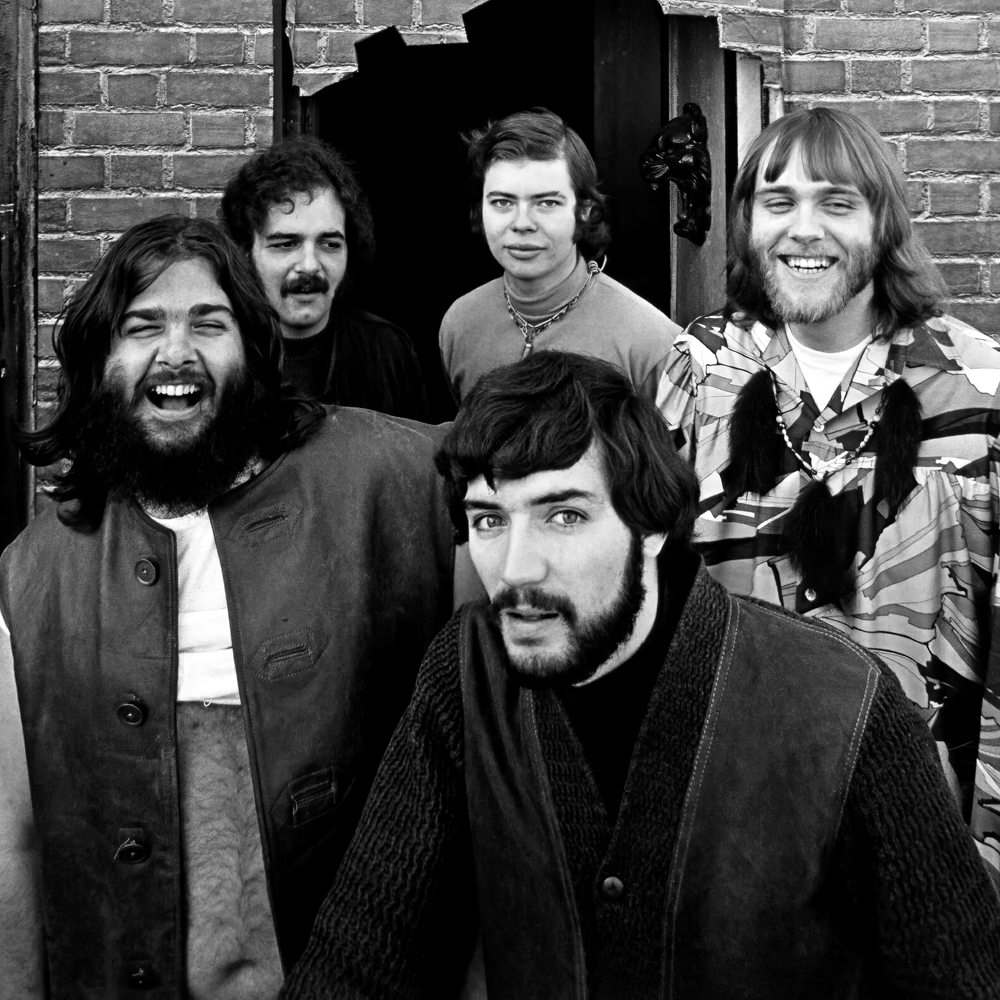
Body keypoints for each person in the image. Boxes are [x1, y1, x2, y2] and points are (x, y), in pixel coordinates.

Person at [280, 352, 1000, 1000]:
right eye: (490, 521)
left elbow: (959, 973)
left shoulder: (842, 704)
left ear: (651, 524)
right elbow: (363, 947)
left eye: (564, 516)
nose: (517, 570)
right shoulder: (466, 673)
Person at [0, 217, 459, 999]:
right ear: (101, 359)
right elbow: (15, 840)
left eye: (208, 324)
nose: (176, 353)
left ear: (252, 347)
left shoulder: (394, 480)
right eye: (143, 326)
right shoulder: (34, 576)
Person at [657, 105, 1000, 875]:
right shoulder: (700, 369)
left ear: (885, 223)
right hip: (730, 839)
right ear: (748, 222)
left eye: (836, 203)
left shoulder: (977, 392)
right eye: (778, 202)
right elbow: (651, 588)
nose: (803, 229)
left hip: (917, 844)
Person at [438, 107, 680, 404]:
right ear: (480, 210)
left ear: (584, 211)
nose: (522, 223)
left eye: (547, 203)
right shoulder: (461, 323)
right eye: (502, 202)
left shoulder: (652, 344)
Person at [221, 135, 428, 419]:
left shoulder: (387, 351)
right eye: (286, 244)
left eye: (329, 244)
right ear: (246, 252)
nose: (309, 266)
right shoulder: (222, 354)